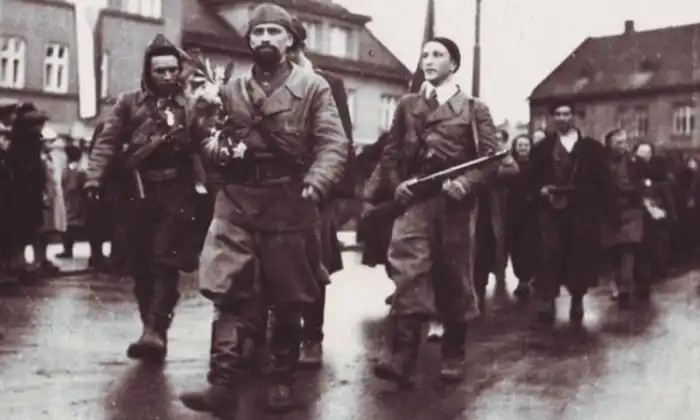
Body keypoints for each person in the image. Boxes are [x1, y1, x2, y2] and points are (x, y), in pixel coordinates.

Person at [178, 3, 348, 416]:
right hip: (238, 199)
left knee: (287, 294)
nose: (266, 39)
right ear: (249, 40)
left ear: (290, 40)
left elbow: (333, 142)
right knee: (227, 289)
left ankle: (282, 379)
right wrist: (202, 119)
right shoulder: (230, 88)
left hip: (290, 200)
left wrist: (318, 181)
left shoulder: (313, 87)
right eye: (258, 33)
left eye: (274, 32)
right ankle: (222, 384)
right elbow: (208, 141)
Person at [365, 37, 500, 387]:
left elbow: (491, 161)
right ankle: (403, 357)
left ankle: (453, 353)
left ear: (453, 64)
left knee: (454, 277)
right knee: (408, 271)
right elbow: (391, 153)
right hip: (415, 202)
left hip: (454, 206)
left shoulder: (473, 108)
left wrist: (465, 184)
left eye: (437, 55)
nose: (428, 60)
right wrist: (397, 185)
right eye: (425, 54)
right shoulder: (407, 105)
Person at [85, 34, 203, 362]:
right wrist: (94, 178)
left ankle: (154, 330)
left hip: (178, 191)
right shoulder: (129, 102)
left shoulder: (191, 103)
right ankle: (151, 326)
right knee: (140, 264)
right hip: (137, 192)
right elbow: (107, 142)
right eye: (159, 71)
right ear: (147, 73)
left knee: (165, 260)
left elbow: (205, 140)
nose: (167, 76)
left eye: (172, 70)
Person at [286, 17, 355, 369]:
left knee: (314, 262)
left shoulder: (329, 83)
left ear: (298, 44)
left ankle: (312, 336)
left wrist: (332, 191)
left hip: (317, 188)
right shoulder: (262, 82)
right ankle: (277, 336)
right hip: (274, 188)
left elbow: (341, 140)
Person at [527, 102, 616, 326]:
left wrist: (608, 214)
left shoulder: (592, 149)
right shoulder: (542, 149)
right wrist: (540, 191)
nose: (562, 118)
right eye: (557, 114)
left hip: (582, 212)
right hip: (550, 211)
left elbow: (605, 182)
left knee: (579, 257)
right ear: (552, 118)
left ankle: (577, 300)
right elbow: (529, 180)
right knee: (548, 255)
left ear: (574, 117)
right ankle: (548, 302)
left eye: (566, 114)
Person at [600, 128, 645, 309]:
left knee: (628, 247)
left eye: (624, 142)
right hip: (609, 210)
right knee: (611, 250)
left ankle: (626, 285)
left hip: (631, 210)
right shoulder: (602, 163)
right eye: (618, 142)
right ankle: (615, 284)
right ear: (609, 144)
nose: (622, 145)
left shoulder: (634, 161)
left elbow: (648, 175)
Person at [56, 145, 86, 259]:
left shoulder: (75, 170)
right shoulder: (72, 169)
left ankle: (68, 249)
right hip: (69, 199)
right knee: (68, 224)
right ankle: (67, 249)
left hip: (73, 200)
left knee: (69, 225)